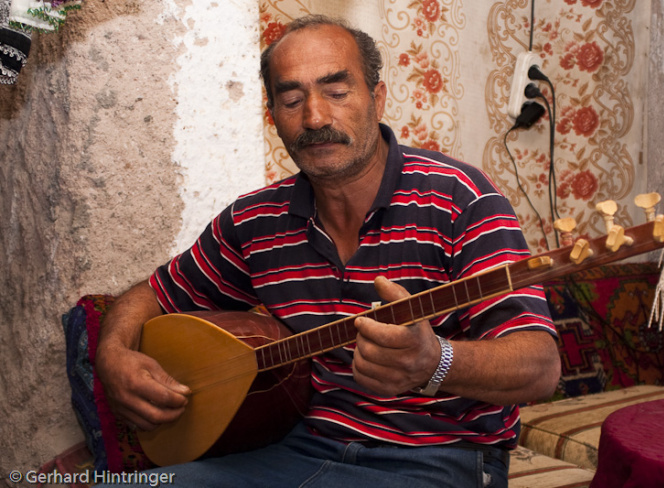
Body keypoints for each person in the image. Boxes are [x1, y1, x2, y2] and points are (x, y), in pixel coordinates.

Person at [95, 14, 560, 488]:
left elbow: (540, 366)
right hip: (298, 450)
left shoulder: (462, 199)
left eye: (336, 92)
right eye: (292, 99)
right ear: (272, 114)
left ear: (377, 98)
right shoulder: (255, 221)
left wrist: (433, 360)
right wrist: (112, 355)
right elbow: (154, 294)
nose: (315, 118)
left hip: (440, 458)